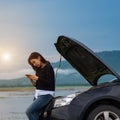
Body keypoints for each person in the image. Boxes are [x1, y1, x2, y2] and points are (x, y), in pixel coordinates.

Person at [26, 52, 55, 120]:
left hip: (46, 95)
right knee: (37, 114)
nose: (34, 64)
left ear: (39, 58)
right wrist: (31, 80)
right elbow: (37, 85)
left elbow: (50, 83)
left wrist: (37, 78)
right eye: (32, 64)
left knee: (29, 112)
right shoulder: (38, 70)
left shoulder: (48, 67)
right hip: (38, 95)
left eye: (34, 62)